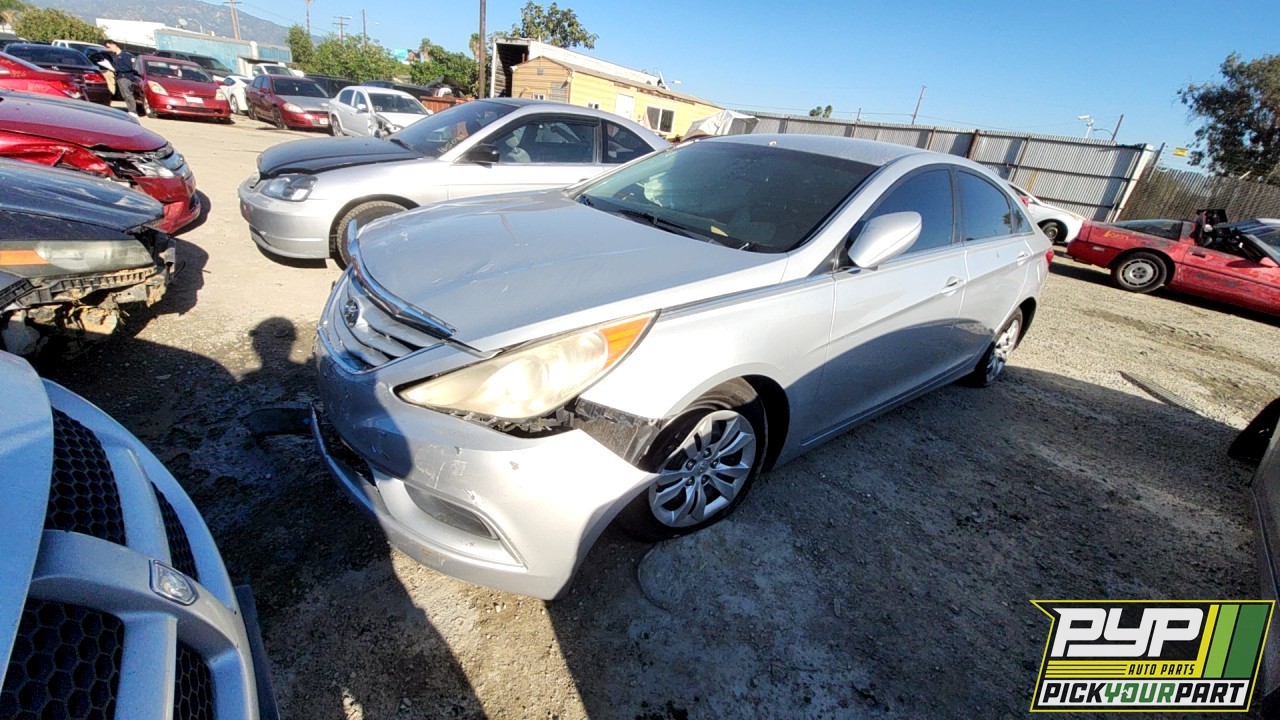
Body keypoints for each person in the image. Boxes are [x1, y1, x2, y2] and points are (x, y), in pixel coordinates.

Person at [104, 40, 142, 116]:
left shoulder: (125, 55)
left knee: (128, 94)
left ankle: (133, 111)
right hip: (119, 77)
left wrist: (116, 68)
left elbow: (128, 67)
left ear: (114, 45)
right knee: (124, 95)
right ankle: (130, 110)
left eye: (109, 47)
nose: (109, 49)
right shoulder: (115, 57)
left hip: (126, 77)